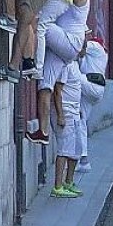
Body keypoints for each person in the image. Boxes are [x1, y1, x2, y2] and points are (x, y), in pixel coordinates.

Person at [26, 0, 91, 145]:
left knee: (40, 25)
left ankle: (34, 65)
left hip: (70, 42)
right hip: (60, 47)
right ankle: (43, 132)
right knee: (45, 87)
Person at [49, 62, 85, 198]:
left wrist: (79, 109)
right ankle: (57, 186)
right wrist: (60, 115)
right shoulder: (65, 65)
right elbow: (57, 91)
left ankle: (69, 182)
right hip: (65, 111)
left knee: (77, 149)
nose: (84, 50)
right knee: (64, 149)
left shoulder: (75, 64)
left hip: (74, 112)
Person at [76, 33, 108, 174]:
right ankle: (84, 160)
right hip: (92, 89)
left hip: (91, 84)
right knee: (81, 121)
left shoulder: (96, 47)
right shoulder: (100, 53)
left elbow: (77, 46)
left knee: (70, 75)